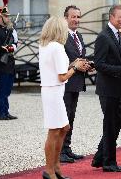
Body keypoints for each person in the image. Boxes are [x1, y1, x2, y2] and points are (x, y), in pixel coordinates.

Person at [39, 16, 85, 179]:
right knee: (54, 131)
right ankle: (50, 170)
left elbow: (58, 70)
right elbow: (62, 76)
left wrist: (74, 64)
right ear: (59, 29)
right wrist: (76, 67)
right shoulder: (57, 47)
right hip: (55, 90)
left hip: (51, 90)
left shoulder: (45, 45)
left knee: (64, 128)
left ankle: (55, 167)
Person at [91, 4, 121, 172]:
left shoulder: (118, 34)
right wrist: (120, 70)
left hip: (116, 87)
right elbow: (99, 64)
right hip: (107, 88)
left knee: (116, 121)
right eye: (120, 17)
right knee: (111, 123)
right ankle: (109, 163)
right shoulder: (103, 36)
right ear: (111, 17)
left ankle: (99, 158)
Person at [60, 5, 93, 163]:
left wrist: (86, 65)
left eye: (78, 17)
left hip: (77, 82)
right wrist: (75, 65)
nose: (76, 20)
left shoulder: (78, 36)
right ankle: (60, 152)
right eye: (73, 17)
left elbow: (80, 57)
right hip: (64, 82)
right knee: (63, 117)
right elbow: (59, 62)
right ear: (65, 18)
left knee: (71, 116)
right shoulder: (60, 36)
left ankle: (67, 148)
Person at [0, 6, 18, 120]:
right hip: (1, 64)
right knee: (1, 90)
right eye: (5, 16)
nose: (8, 18)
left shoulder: (10, 30)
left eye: (8, 16)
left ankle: (6, 111)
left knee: (7, 90)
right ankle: (1, 114)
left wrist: (12, 46)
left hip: (10, 64)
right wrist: (9, 48)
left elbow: (15, 44)